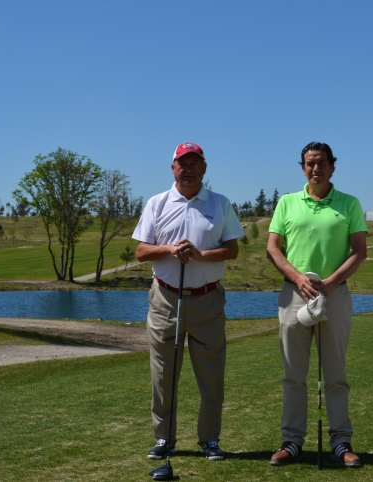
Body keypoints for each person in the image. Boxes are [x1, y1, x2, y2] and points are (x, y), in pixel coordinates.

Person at [132, 142, 244, 462]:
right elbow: (141, 252)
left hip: (207, 300)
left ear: (204, 168)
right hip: (165, 298)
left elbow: (232, 249)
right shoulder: (157, 203)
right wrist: (169, 249)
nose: (189, 169)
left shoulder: (220, 204)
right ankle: (164, 439)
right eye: (183, 163)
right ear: (173, 168)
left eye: (195, 163)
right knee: (164, 375)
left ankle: (209, 440)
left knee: (211, 376)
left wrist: (201, 255)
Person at [266, 142, 367, 468]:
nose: (316, 169)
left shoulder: (349, 204)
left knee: (335, 374)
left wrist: (332, 282)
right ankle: (292, 442)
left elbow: (359, 251)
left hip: (333, 295)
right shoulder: (287, 202)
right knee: (294, 375)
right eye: (309, 164)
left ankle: (341, 443)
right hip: (295, 295)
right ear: (303, 168)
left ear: (332, 166)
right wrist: (298, 278)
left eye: (321, 163)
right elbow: (273, 249)